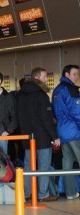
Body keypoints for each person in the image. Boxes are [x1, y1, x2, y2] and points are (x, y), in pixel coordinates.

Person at [19, 67, 60, 202]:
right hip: (42, 137)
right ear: (37, 78)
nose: (46, 80)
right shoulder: (41, 95)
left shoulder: (21, 93)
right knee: (43, 166)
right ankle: (43, 194)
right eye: (44, 77)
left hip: (27, 136)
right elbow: (46, 119)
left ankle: (26, 193)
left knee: (28, 166)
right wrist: (54, 137)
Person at [52, 64, 80, 200]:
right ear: (66, 75)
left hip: (62, 130)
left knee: (67, 162)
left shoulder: (57, 90)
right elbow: (77, 112)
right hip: (74, 131)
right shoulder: (71, 89)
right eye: (74, 74)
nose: (77, 77)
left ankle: (70, 193)